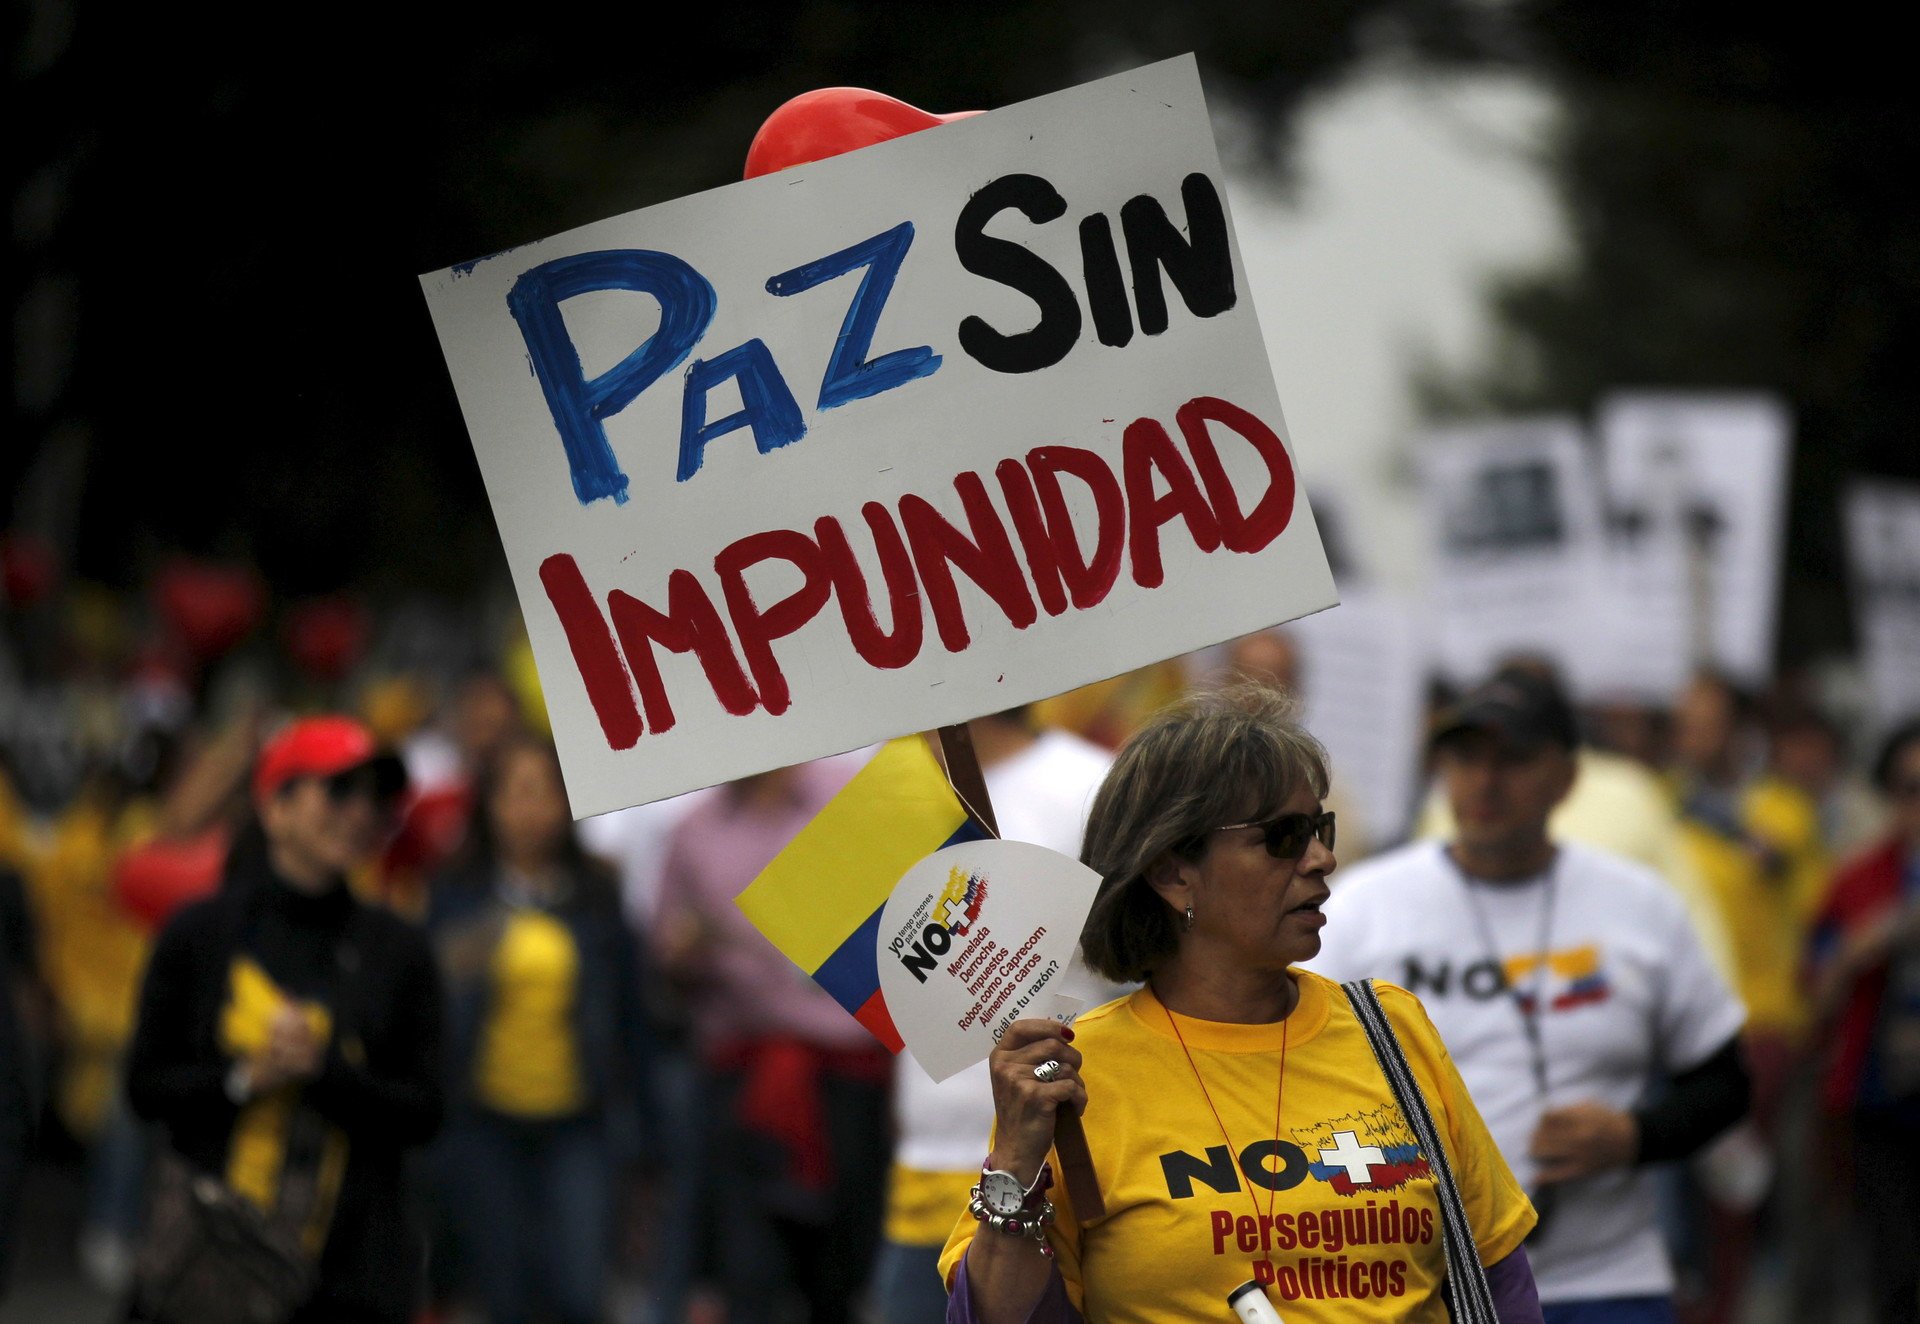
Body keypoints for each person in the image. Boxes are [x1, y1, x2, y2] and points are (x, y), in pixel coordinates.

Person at [941, 683, 1543, 1323]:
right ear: (1174, 873)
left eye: (1320, 829)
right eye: (1284, 837)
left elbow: (1500, 1283)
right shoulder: (1073, 1077)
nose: (1323, 859)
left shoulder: (1391, 1029)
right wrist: (1015, 1165)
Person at [1308, 669, 1750, 1324]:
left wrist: (1635, 1136)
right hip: (1422, 1287)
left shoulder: (1640, 907)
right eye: (1465, 758)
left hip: (1605, 1282)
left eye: (1512, 759)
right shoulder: (1361, 908)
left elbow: (1726, 1083)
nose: (1485, 782)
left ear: (1567, 778)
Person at [125, 715, 444, 1324]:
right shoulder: (200, 935)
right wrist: (244, 1077)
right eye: (339, 790)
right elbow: (145, 1087)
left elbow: (426, 1110)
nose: (361, 812)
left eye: (376, 797)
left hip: (351, 1278)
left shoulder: (398, 950)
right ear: (276, 808)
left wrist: (325, 1073)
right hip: (211, 1268)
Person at [870, 708, 1115, 1324]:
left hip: (1070, 1163)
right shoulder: (892, 793)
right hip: (930, 1161)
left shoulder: (1089, 786)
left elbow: (1136, 961)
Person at [425, 735, 656, 1324]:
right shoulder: (454, 897)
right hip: (482, 1123)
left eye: (545, 793)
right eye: (516, 793)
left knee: (579, 1287)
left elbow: (631, 1019)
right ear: (489, 806)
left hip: (579, 1121)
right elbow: (428, 1009)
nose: (530, 810)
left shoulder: (597, 897)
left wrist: (645, 1133)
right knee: (500, 1289)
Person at [653, 753, 890, 1324]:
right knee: (747, 1262)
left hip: (848, 1076)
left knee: (845, 1263)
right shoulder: (693, 830)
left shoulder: (852, 799)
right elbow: (664, 950)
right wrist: (682, 953)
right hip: (741, 1072)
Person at [1805, 716, 1920, 1324]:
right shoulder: (1859, 879)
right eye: (1912, 789)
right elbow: (1815, 999)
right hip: (1882, 1103)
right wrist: (1860, 948)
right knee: (1894, 1268)